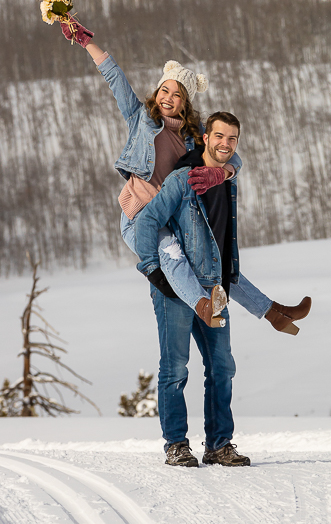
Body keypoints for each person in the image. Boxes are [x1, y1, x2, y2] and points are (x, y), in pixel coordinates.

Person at [54, 15, 310, 334]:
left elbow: (233, 156)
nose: (167, 98)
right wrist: (86, 41)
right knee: (171, 253)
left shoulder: (196, 136)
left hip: (173, 217)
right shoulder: (141, 119)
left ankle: (273, 313)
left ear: (185, 102)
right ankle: (204, 306)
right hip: (139, 217)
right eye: (164, 90)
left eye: (176, 95)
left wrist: (224, 172)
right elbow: (114, 77)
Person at [133, 109, 250, 466]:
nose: (225, 144)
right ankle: (176, 445)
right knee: (176, 367)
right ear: (205, 137)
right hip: (175, 289)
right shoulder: (183, 178)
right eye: (219, 136)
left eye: (232, 139)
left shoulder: (227, 178)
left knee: (222, 366)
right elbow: (148, 220)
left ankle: (218, 445)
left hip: (213, 288)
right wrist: (152, 269)